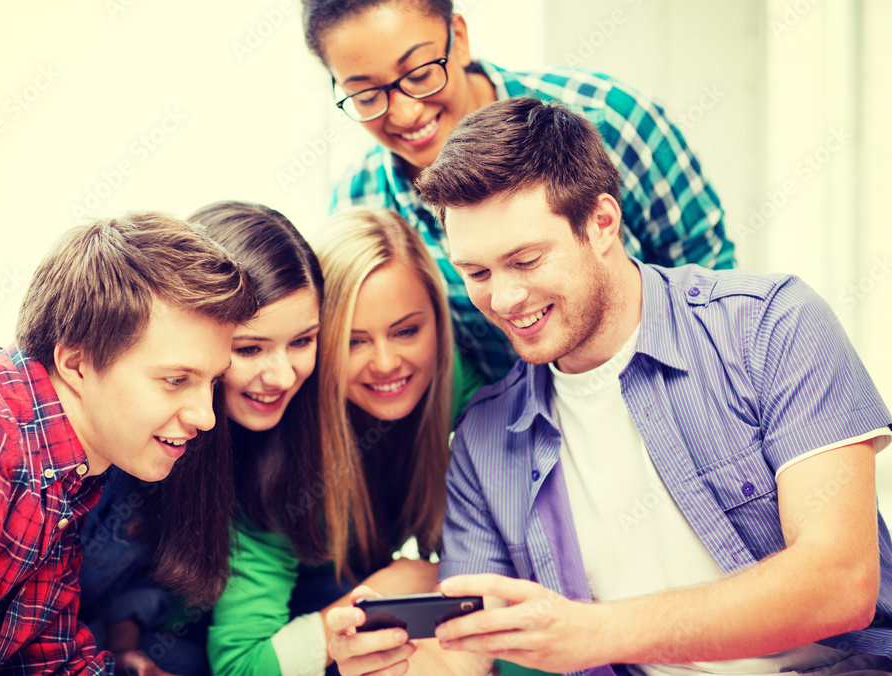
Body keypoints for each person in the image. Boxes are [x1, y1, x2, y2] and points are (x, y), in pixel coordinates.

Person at [327, 97, 892, 676]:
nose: (502, 299)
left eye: (524, 260)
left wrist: (598, 633)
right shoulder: (484, 438)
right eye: (476, 273)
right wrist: (379, 663)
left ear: (601, 223)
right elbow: (465, 654)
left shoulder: (771, 327)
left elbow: (840, 582)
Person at [0, 212, 257, 675]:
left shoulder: (68, 469)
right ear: (77, 363)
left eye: (212, 381)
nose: (205, 416)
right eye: (176, 379)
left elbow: (49, 657)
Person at [302, 0, 738, 385]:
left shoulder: (610, 117)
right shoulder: (362, 204)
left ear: (458, 37)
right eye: (365, 95)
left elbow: (707, 269)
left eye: (418, 74)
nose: (405, 111)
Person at [198, 203, 463, 676]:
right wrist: (392, 586)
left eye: (406, 331)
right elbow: (239, 665)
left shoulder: (467, 386)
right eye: (354, 341)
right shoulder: (278, 462)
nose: (386, 363)